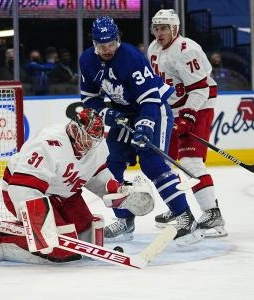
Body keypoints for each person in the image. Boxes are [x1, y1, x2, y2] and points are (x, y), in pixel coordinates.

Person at [79, 16, 203, 245]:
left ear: (118, 39)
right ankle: (125, 220)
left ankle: (186, 219)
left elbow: (150, 98)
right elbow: (89, 99)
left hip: (153, 109)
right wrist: (108, 114)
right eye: (101, 45)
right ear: (94, 43)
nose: (107, 50)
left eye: (111, 44)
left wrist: (145, 125)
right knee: (111, 166)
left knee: (152, 164)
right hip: (123, 114)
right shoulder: (87, 60)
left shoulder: (132, 58)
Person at [0, 108, 155, 264]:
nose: (91, 145)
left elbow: (97, 175)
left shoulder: (95, 146)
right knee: (60, 249)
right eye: (87, 138)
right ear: (75, 130)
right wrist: (39, 224)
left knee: (87, 235)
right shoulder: (48, 144)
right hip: (26, 192)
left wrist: (119, 190)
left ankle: (46, 234)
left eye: (94, 139)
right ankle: (1, 238)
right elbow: (22, 188)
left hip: (64, 194)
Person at [147, 9, 227, 237]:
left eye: (164, 28)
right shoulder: (153, 49)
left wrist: (189, 114)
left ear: (175, 29)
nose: (159, 32)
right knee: (165, 160)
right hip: (173, 109)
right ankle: (177, 208)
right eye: (156, 28)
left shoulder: (187, 50)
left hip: (199, 104)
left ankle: (213, 213)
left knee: (190, 161)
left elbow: (201, 87)